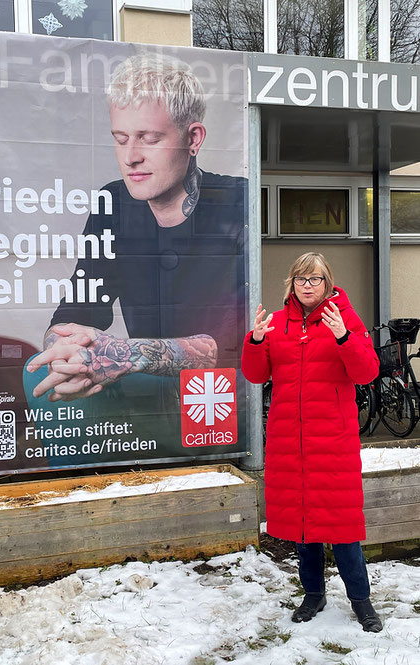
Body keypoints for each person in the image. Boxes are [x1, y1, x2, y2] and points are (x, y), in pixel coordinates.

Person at [27, 53, 245, 403]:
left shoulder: (238, 202)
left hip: (220, 401)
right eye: (121, 137)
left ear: (193, 138)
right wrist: (66, 351)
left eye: (149, 138)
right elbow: (79, 307)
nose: (130, 157)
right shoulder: (113, 202)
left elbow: (233, 343)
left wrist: (123, 355)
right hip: (145, 402)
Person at [241, 252, 382, 633]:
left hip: (332, 439)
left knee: (342, 526)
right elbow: (256, 374)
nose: (307, 285)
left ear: (328, 283)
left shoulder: (344, 318)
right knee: (304, 526)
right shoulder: (276, 323)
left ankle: (361, 601)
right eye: (301, 279)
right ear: (292, 283)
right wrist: (255, 339)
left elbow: (367, 372)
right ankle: (314, 594)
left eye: (315, 279)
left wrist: (343, 336)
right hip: (290, 440)